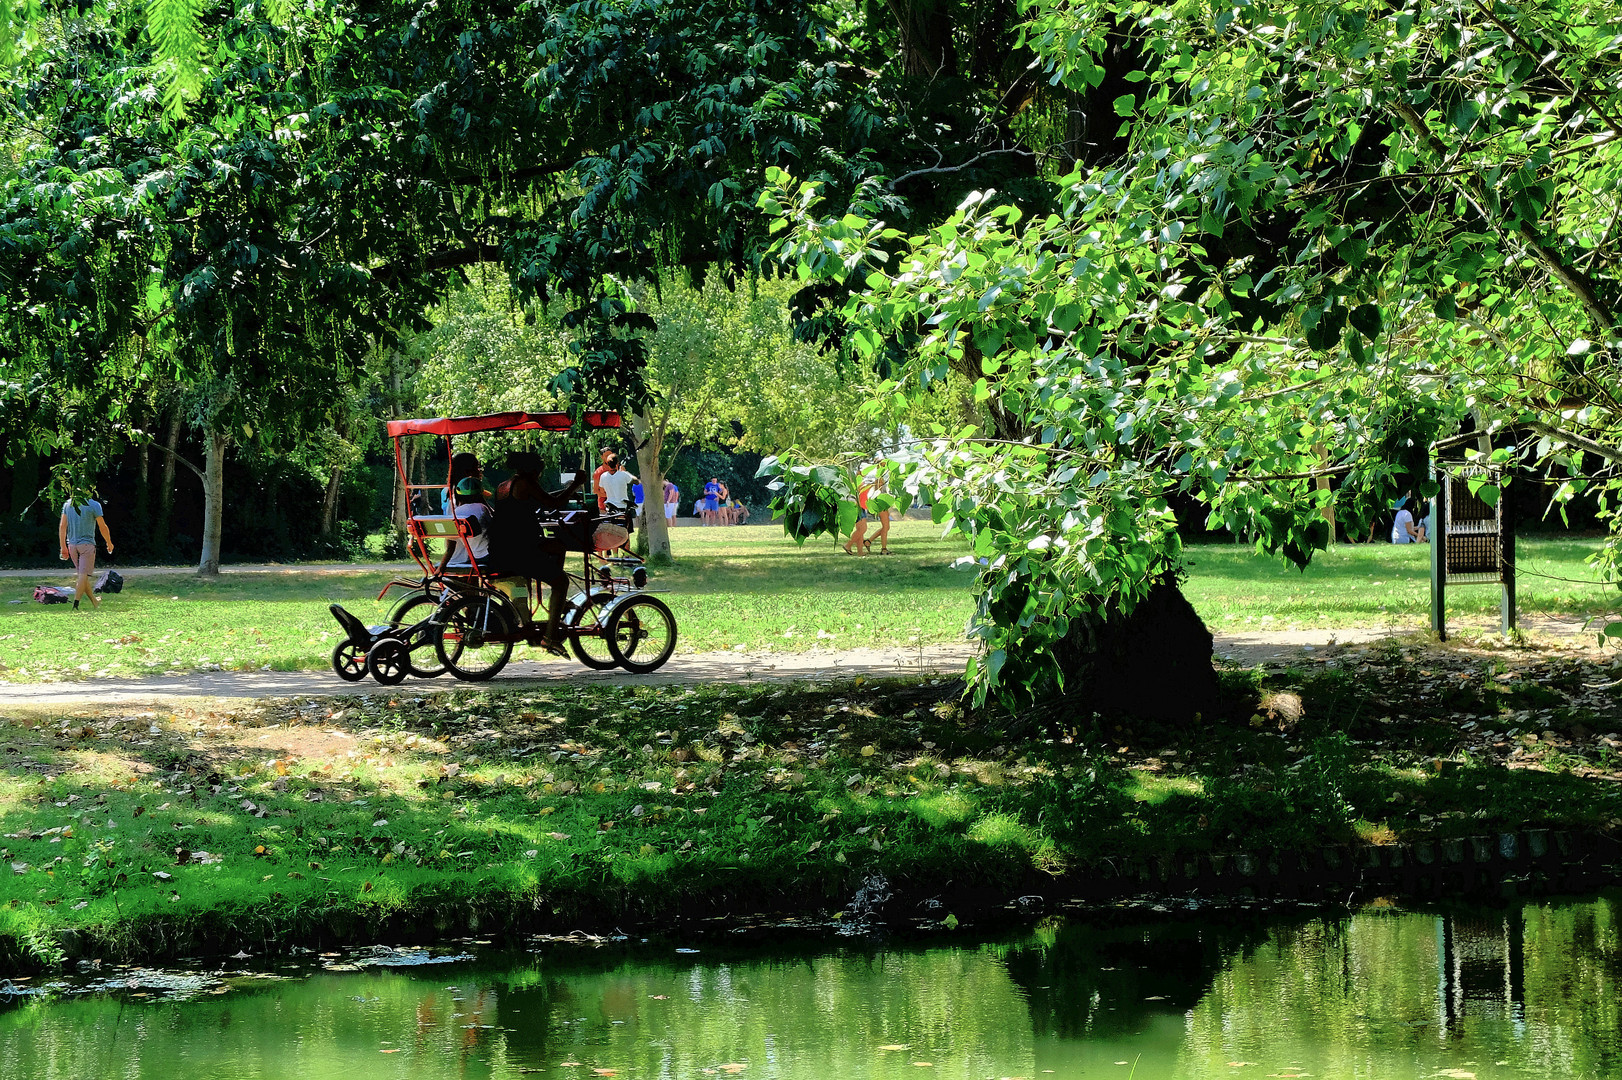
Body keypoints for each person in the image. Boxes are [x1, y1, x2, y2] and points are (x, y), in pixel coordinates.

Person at [59, 489, 113, 610]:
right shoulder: (94, 505)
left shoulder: (68, 504)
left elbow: (63, 526)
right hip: (87, 545)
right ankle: (76, 604)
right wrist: (108, 542)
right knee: (83, 576)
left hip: (72, 545)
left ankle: (94, 601)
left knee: (82, 576)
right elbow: (102, 526)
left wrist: (63, 546)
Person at [438, 476, 492, 573]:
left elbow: (450, 547)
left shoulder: (456, 513)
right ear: (479, 495)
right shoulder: (482, 508)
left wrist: (441, 568)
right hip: (489, 556)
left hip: (475, 557)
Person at [844, 478, 875, 555]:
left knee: (860, 530)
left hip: (861, 506)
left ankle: (860, 552)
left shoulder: (863, 481)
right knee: (863, 529)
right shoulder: (858, 482)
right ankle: (848, 545)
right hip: (858, 507)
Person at [591, 448, 618, 513]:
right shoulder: (598, 472)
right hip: (604, 507)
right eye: (606, 456)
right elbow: (595, 490)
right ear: (602, 457)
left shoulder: (619, 468)